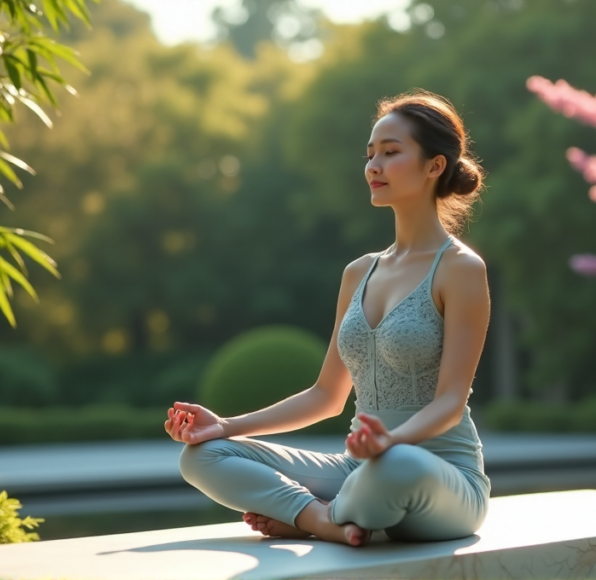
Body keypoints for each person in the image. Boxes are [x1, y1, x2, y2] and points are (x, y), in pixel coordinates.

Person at [165, 88, 492, 547]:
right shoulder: (359, 272)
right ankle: (323, 520)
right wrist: (225, 426)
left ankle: (306, 515)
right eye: (370, 154)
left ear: (434, 166)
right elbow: (326, 396)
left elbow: (450, 403)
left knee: (395, 467)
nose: (373, 166)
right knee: (203, 457)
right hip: (358, 472)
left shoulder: (460, 269)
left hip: (434, 477)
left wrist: (387, 444)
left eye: (391, 152)